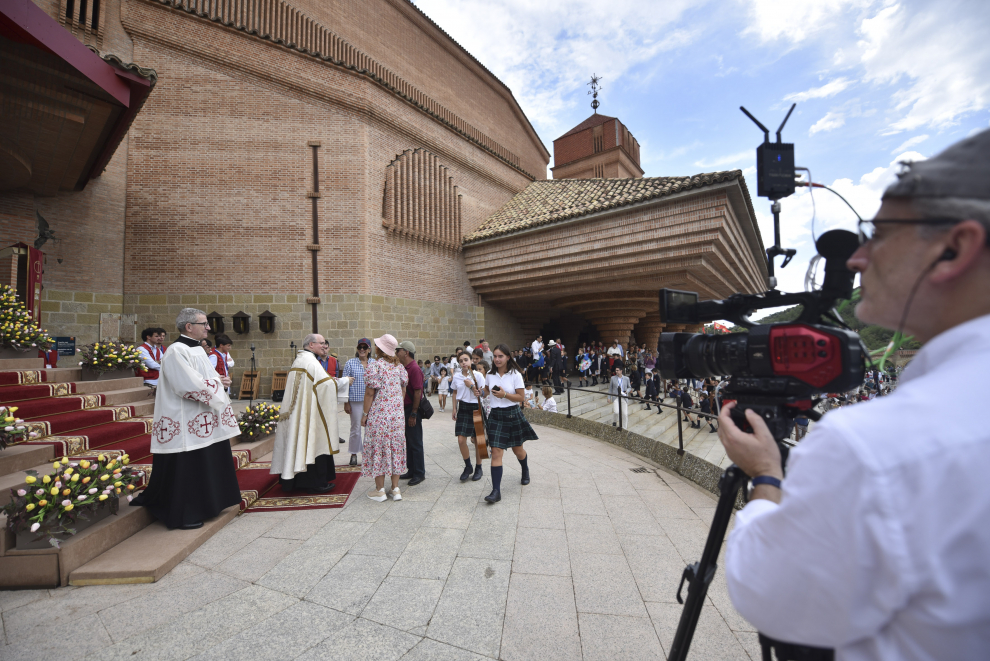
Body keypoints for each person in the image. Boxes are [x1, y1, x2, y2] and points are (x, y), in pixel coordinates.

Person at [718, 129, 990, 659]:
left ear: (955, 247)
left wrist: (766, 477)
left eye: (880, 234)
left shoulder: (874, 449)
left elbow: (769, 593)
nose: (860, 258)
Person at [131, 308, 239, 529]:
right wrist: (218, 384)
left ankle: (212, 504)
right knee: (188, 466)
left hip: (201, 415)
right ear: (189, 327)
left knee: (207, 459)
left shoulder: (197, 349)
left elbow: (201, 376)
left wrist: (218, 378)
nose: (208, 328)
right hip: (184, 417)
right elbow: (186, 385)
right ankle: (184, 512)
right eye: (204, 324)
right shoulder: (176, 351)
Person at [269, 334, 350, 493]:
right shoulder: (310, 362)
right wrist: (345, 381)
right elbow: (325, 385)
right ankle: (314, 483)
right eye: (321, 343)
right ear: (311, 344)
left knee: (300, 442)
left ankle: (296, 481)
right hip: (309, 414)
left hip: (303, 412)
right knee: (314, 441)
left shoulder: (301, 360)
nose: (324, 346)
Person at [482, 344, 538, 503]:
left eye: (501, 356)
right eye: (495, 356)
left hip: (512, 415)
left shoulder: (515, 374)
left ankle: (525, 469)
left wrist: (505, 394)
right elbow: (486, 390)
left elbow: (521, 398)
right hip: (495, 416)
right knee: (496, 452)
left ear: (507, 357)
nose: (497, 359)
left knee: (517, 450)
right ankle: (496, 491)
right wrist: (481, 391)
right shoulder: (490, 374)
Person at [361, 334, 408, 502]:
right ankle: (395, 489)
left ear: (379, 349)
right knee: (395, 448)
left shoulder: (375, 367)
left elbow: (369, 393)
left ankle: (380, 490)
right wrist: (395, 407)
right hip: (396, 416)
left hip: (379, 415)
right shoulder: (400, 367)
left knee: (378, 448)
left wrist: (365, 415)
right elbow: (403, 390)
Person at [451, 352, 486, 482]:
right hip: (463, 408)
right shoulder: (457, 377)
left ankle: (479, 467)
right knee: (461, 440)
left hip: (476, 408)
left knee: (478, 441)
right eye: (461, 361)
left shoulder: (478, 376)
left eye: (466, 360)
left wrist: (471, 385)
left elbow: (482, 394)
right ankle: (468, 466)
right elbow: (455, 393)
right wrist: (454, 408)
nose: (463, 363)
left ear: (471, 361)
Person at [396, 340, 425, 485]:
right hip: (405, 409)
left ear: (406, 352)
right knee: (408, 441)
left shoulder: (414, 368)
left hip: (412, 409)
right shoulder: (405, 367)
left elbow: (418, 392)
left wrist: (413, 413)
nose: (396, 353)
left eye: (398, 350)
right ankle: (412, 469)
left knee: (415, 441)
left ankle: (419, 473)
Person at [342, 338, 374, 467]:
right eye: (360, 347)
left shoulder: (374, 363)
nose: (362, 349)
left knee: (371, 429)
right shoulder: (350, 363)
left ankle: (369, 455)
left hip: (372, 401)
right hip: (355, 400)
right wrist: (346, 402)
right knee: (355, 428)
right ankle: (354, 453)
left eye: (364, 347)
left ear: (369, 350)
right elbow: (345, 384)